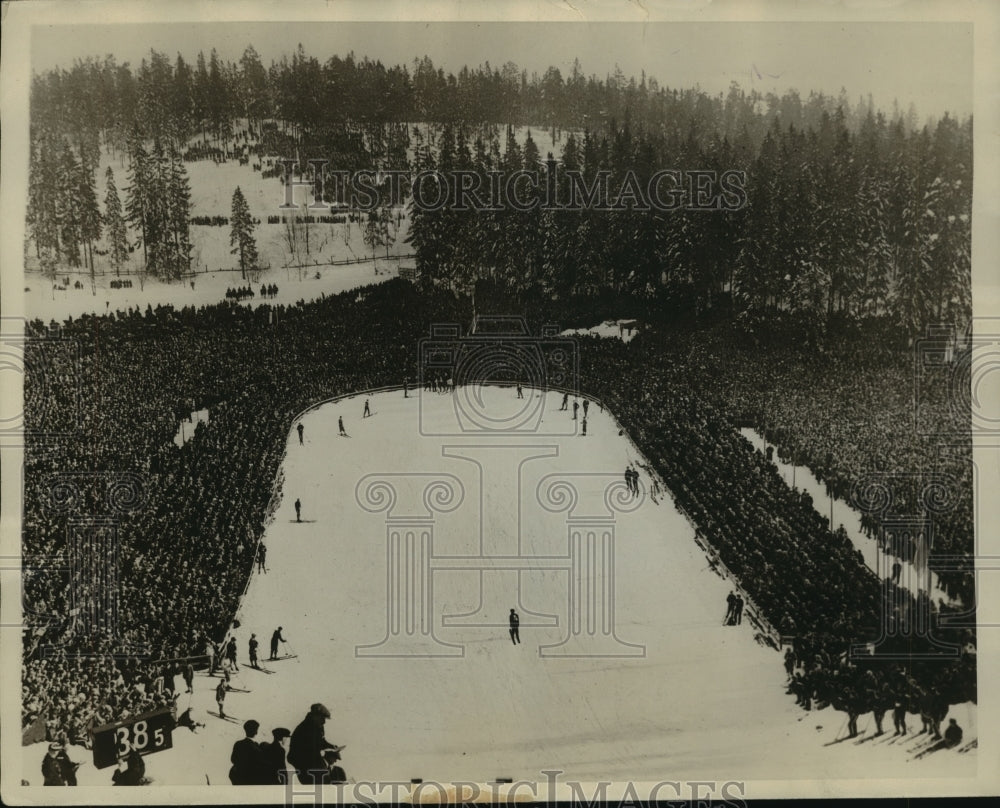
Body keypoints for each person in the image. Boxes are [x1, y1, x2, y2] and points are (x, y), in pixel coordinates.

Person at [288, 703, 337, 785]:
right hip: (304, 762)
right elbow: (311, 747)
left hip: (312, 760)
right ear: (315, 716)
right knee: (321, 781)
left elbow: (321, 741)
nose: (324, 722)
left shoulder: (317, 726)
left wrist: (331, 746)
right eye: (322, 718)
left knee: (325, 778)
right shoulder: (305, 728)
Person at [230, 720, 264, 785]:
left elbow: (233, 759)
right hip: (251, 780)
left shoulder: (238, 743)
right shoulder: (256, 747)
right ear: (256, 732)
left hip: (237, 778)